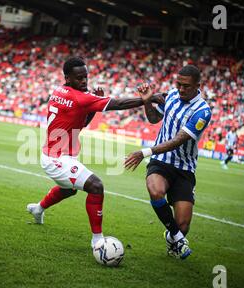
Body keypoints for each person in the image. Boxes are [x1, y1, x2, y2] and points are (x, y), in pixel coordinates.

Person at [26, 56, 158, 248]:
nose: (84, 81)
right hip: (56, 159)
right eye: (79, 78)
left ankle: (38, 209)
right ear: (68, 78)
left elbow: (80, 124)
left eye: (86, 77)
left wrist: (92, 107)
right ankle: (97, 241)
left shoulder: (59, 91)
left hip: (58, 155)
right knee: (96, 186)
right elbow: (118, 105)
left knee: (69, 190)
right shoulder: (80, 97)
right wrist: (149, 98)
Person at [124, 65, 212, 260]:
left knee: (182, 225)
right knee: (155, 190)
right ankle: (179, 239)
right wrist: (147, 102)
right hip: (161, 162)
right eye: (178, 84)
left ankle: (174, 235)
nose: (180, 89)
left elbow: (178, 140)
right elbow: (154, 119)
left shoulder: (202, 111)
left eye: (186, 86)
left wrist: (144, 152)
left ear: (198, 86)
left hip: (184, 169)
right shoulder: (171, 95)